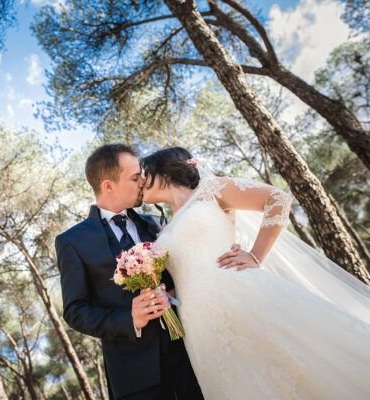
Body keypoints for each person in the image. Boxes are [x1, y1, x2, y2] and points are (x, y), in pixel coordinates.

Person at [141, 146, 370, 400]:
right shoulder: (164, 226)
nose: (140, 182)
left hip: (242, 297)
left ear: (164, 171)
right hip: (200, 324)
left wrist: (255, 255)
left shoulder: (210, 189)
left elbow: (278, 199)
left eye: (144, 174)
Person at [55, 144, 203, 399]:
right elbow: (75, 310)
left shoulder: (156, 224)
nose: (143, 182)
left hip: (190, 358)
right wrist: (129, 319)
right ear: (108, 185)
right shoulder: (72, 241)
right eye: (135, 178)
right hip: (134, 376)